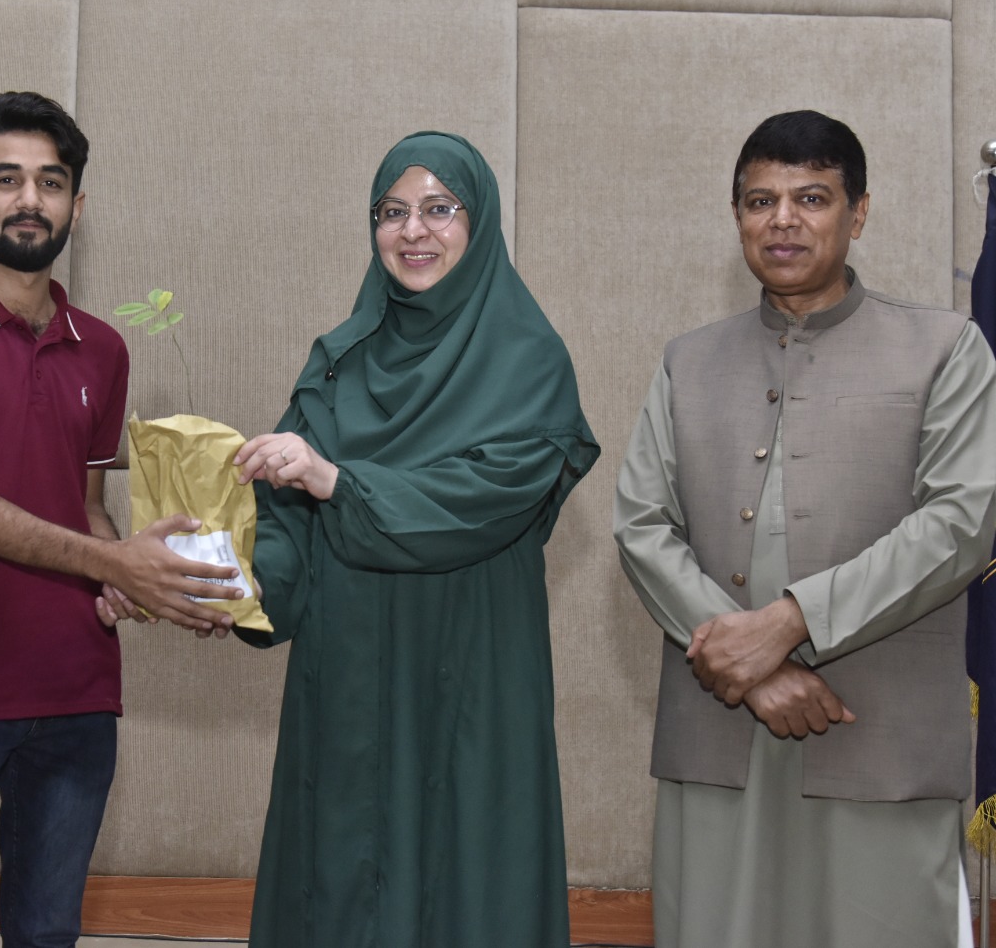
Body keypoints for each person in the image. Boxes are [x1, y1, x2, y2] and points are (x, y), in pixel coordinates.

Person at [613, 110, 996, 948]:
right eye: (760, 201)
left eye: (812, 198)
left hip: (880, 738)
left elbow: (962, 521)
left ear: (859, 214)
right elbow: (641, 524)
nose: (782, 219)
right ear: (737, 217)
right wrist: (750, 668)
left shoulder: (945, 349)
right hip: (718, 731)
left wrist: (789, 623)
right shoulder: (687, 361)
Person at [0, 91, 240, 948]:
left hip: (77, 695)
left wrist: (157, 580)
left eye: (51, 181)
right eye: (6, 180)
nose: (29, 199)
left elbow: (87, 510)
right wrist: (112, 562)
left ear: (78, 204)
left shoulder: (104, 348)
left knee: (47, 932)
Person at [229, 131, 599, 947]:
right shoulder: (339, 361)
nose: (413, 231)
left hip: (470, 675)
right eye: (391, 212)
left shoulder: (528, 360)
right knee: (340, 885)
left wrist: (339, 482)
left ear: (480, 222)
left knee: (465, 882)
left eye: (439, 209)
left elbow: (487, 500)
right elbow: (286, 522)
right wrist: (235, 581)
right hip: (347, 682)